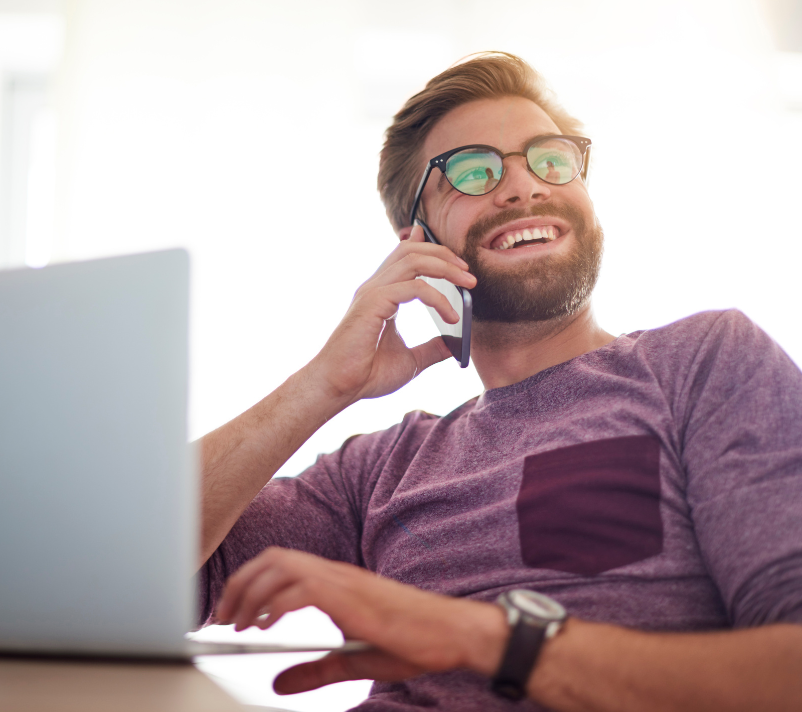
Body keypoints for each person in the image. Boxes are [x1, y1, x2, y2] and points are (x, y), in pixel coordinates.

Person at [196, 52, 802, 711]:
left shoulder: (703, 364)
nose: (524, 188)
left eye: (550, 159)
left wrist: (481, 636)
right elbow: (119, 569)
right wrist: (324, 385)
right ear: (417, 241)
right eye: (474, 171)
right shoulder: (375, 473)